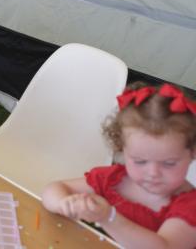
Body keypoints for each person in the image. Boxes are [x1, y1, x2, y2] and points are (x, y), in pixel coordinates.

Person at [42, 83, 196, 248]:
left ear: (193, 153)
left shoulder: (190, 205)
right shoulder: (112, 179)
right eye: (140, 161)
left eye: (169, 163)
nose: (153, 173)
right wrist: (65, 204)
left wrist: (109, 217)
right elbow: (54, 188)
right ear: (122, 149)